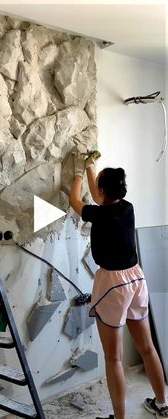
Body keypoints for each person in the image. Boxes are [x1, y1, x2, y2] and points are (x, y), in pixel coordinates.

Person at [69, 151, 168, 419]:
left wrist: (77, 170)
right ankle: (162, 403)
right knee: (147, 347)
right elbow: (98, 193)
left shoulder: (98, 215)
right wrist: (91, 166)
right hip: (136, 278)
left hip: (112, 283)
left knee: (114, 358)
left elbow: (74, 200)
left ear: (103, 191)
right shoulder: (127, 208)